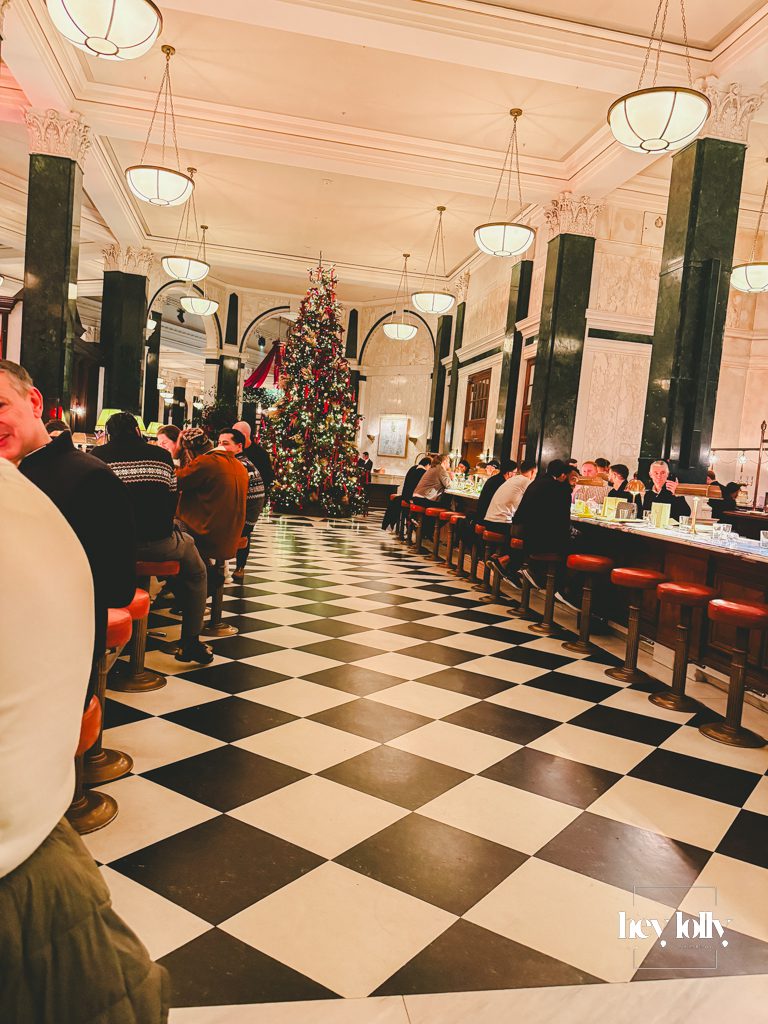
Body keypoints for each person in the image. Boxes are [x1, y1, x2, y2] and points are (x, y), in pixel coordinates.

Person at [0, 460, 169, 1023]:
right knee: (193, 563)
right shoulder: (36, 495)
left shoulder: (45, 491)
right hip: (39, 825)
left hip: (29, 834)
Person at [0, 361, 135, 667]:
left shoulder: (90, 479)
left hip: (51, 655)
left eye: (0, 405)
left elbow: (116, 587)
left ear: (34, 402)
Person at [92, 412, 212, 665]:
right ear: (138, 431)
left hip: (114, 548)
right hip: (158, 544)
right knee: (197, 571)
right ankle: (190, 641)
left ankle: (115, 635)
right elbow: (172, 499)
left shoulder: (97, 457)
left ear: (108, 435)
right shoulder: (161, 456)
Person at [176, 426, 249, 568]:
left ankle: (192, 573)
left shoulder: (206, 462)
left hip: (208, 535)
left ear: (190, 451)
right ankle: (208, 571)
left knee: (169, 528)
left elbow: (174, 481)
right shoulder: (239, 466)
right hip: (230, 535)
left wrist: (176, 455)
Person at [514, 458, 572, 588]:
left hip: (524, 531)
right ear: (563, 475)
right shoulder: (557, 487)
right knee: (570, 546)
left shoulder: (538, 482)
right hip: (535, 537)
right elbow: (562, 519)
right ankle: (560, 588)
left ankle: (534, 571)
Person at [217, 427, 265, 582]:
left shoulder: (238, 465)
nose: (220, 447)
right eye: (219, 443)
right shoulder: (241, 462)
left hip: (242, 523)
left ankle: (214, 576)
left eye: (226, 443)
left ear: (239, 446)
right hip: (246, 520)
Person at [485, 459, 537, 532]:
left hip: (489, 521)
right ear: (533, 472)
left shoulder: (512, 479)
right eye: (536, 473)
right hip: (500, 524)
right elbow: (533, 502)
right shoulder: (526, 481)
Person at [381, 455, 429, 531]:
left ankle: (408, 523)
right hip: (411, 497)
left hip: (405, 495)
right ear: (428, 465)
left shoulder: (413, 468)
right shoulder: (422, 472)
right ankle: (417, 526)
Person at [234, 419, 274, 494]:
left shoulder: (261, 454)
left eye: (234, 435)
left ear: (243, 435)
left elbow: (266, 479)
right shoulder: (232, 451)